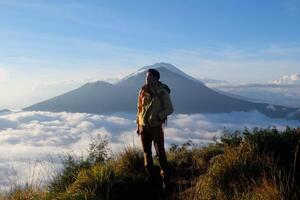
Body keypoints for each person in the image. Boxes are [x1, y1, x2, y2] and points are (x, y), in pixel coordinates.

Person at [136, 68, 174, 189]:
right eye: (146, 77)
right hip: (143, 126)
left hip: (155, 127)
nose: (147, 79)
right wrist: (138, 125)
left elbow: (170, 109)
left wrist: (159, 116)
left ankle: (165, 179)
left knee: (160, 153)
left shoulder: (162, 92)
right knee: (146, 152)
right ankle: (152, 177)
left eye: (149, 77)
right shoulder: (142, 91)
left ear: (156, 78)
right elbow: (139, 109)